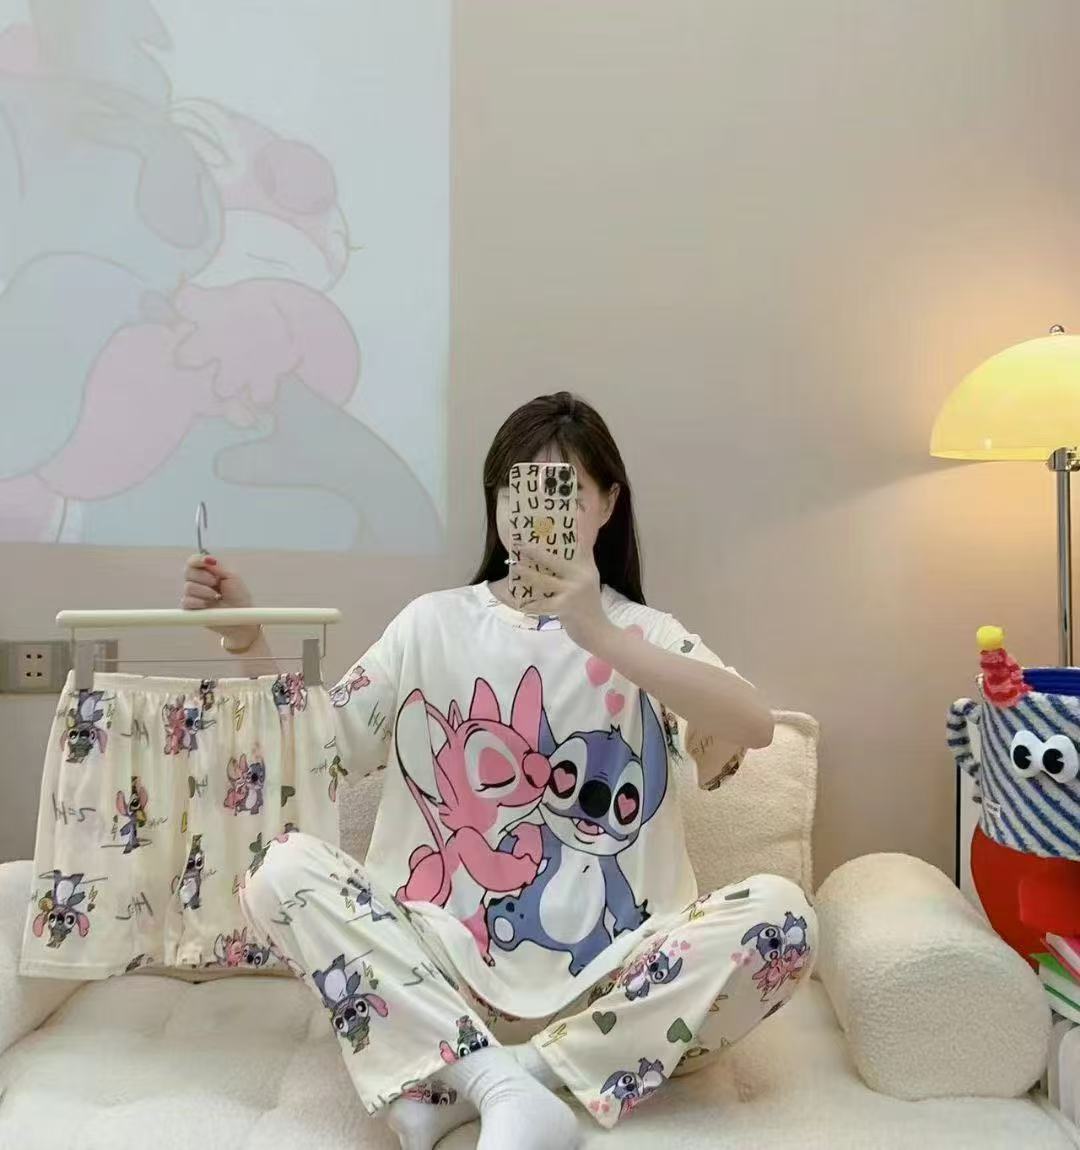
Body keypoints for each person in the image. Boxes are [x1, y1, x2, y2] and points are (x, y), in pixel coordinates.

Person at [180, 392, 816, 1150]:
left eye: (565, 490)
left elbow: (749, 725)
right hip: (438, 974)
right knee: (279, 869)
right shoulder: (432, 622)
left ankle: (493, 1080)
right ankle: (495, 1080)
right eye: (519, 489)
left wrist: (600, 633)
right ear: (496, 503)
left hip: (621, 984)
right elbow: (319, 749)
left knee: (784, 917)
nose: (537, 511)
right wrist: (247, 639)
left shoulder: (642, 635)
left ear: (608, 505)